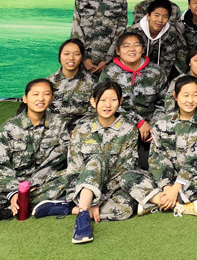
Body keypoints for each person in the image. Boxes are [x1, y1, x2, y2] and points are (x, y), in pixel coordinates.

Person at [61, 81, 143, 243]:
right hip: (83, 187)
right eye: (103, 100)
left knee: (125, 209)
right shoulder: (81, 131)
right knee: (97, 160)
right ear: (93, 102)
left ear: (120, 101)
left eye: (113, 100)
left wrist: (97, 199)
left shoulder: (129, 130)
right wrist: (85, 195)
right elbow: (74, 169)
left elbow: (124, 170)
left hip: (112, 187)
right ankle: (82, 219)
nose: (108, 105)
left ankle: (73, 209)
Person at [144, 76, 197, 217]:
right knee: (128, 177)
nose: (190, 100)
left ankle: (156, 200)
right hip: (166, 179)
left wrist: (176, 187)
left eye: (195, 95)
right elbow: (156, 158)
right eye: (185, 95)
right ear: (175, 96)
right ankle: (177, 202)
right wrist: (167, 187)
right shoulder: (162, 123)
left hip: (193, 178)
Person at [0, 80, 70, 220]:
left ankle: (15, 206)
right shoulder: (9, 127)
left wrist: (34, 185)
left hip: (43, 184)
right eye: (35, 94)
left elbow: (60, 160)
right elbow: (1, 165)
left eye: (46, 94)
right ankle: (21, 202)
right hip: (12, 183)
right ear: (25, 98)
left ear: (52, 98)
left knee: (72, 175)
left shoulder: (59, 123)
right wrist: (15, 192)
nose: (41, 98)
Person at [98, 32, 168, 168]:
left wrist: (154, 127)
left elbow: (164, 102)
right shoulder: (110, 72)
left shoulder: (156, 72)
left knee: (151, 164)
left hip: (150, 128)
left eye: (136, 45)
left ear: (143, 49)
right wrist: (138, 121)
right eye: (126, 46)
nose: (132, 49)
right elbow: (105, 103)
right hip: (119, 124)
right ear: (118, 51)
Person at [71, 0, 128, 74]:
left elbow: (120, 32)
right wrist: (84, 58)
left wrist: (107, 60)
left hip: (110, 63)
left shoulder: (120, 2)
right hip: (83, 61)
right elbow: (76, 30)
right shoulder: (82, 1)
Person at [127, 0, 187, 78]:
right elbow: (128, 59)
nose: (160, 20)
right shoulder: (133, 32)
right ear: (148, 16)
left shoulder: (170, 32)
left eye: (165, 16)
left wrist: (159, 80)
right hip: (134, 73)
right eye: (156, 15)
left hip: (158, 73)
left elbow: (167, 60)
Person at [47, 39, 96, 132]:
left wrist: (79, 130)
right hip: (52, 131)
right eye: (66, 54)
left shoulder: (92, 82)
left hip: (80, 131)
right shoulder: (48, 82)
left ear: (82, 58)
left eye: (76, 54)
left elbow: (94, 110)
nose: (71, 58)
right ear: (60, 56)